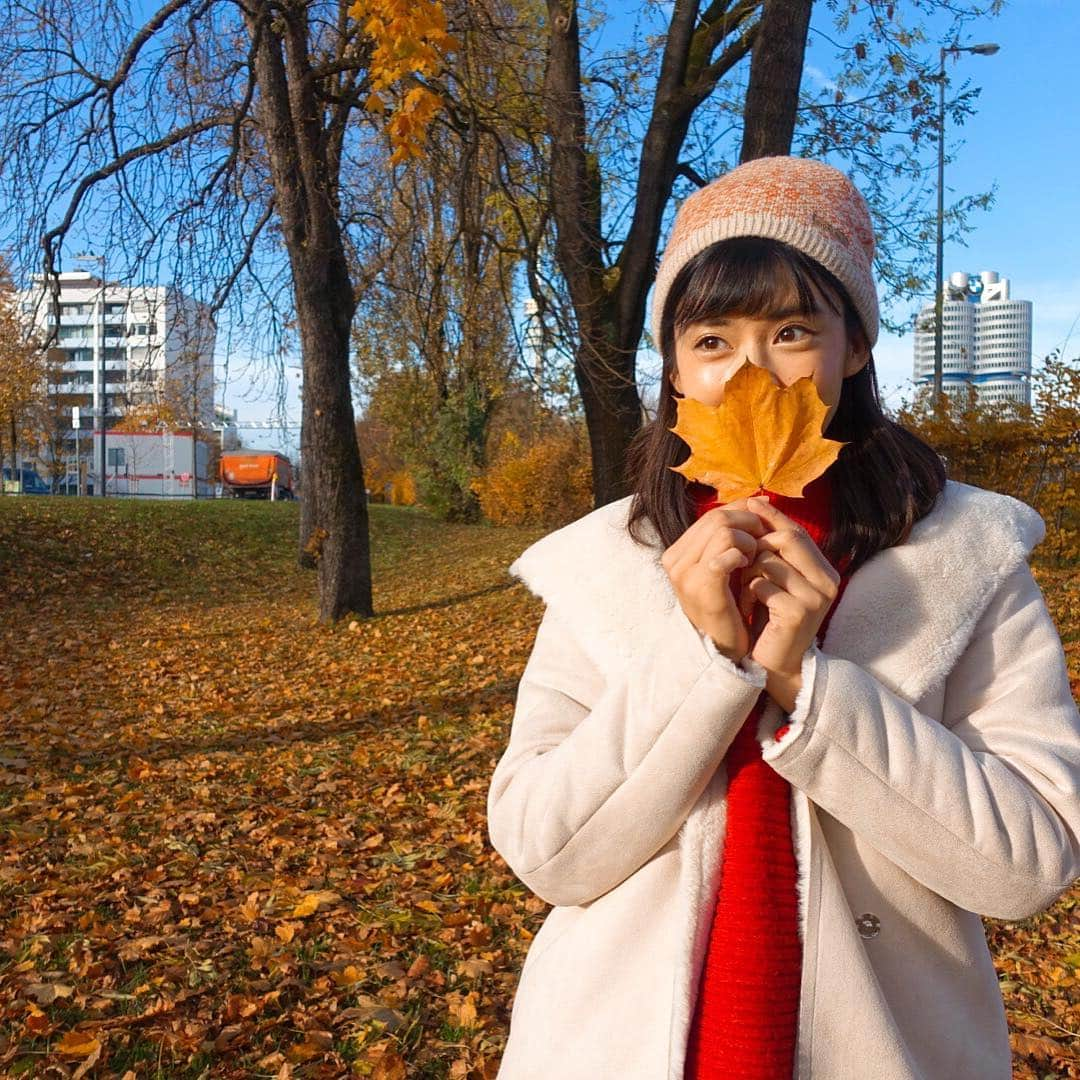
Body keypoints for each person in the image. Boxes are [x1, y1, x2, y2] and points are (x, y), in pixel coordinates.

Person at [485, 156, 1080, 1080]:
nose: (750, 371)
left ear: (856, 348)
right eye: (711, 340)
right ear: (675, 367)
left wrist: (812, 683)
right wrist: (707, 662)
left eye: (793, 330)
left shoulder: (967, 561)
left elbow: (1028, 867)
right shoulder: (606, 566)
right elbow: (549, 855)